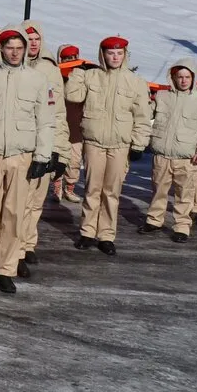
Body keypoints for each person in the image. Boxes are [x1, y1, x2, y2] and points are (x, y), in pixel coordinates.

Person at [0, 27, 53, 293]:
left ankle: (6, 269)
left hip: (21, 156)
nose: (14, 52)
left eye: (19, 48)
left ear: (25, 49)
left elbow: (46, 122)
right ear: (0, 49)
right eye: (9, 47)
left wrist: (42, 156)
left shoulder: (37, 80)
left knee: (14, 214)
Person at [65, 36, 151, 255]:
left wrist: (139, 143)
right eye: (111, 53)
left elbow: (142, 116)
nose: (115, 57)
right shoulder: (91, 76)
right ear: (102, 54)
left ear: (125, 55)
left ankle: (106, 235)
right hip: (94, 143)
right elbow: (72, 95)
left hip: (120, 145)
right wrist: (77, 72)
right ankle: (87, 232)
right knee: (92, 188)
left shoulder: (135, 82)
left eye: (119, 53)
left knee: (112, 191)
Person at [18, 20, 70, 272]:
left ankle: (27, 244)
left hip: (44, 143)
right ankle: (13, 248)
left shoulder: (50, 70)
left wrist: (59, 151)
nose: (34, 43)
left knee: (36, 199)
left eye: (37, 38)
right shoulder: (11, 68)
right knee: (18, 200)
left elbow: (58, 112)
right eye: (29, 38)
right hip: (19, 143)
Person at [141, 58, 197, 243]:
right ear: (173, 77)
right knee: (158, 190)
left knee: (185, 194)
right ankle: (154, 220)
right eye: (179, 77)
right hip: (161, 154)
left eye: (187, 77)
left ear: (193, 78)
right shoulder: (162, 96)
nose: (183, 80)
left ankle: (182, 226)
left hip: (187, 157)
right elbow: (145, 115)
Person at [55, 44, 85, 203]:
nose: (71, 61)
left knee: (74, 160)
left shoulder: (82, 77)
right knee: (59, 159)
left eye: (73, 57)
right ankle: (57, 187)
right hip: (59, 125)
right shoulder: (55, 75)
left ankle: (70, 188)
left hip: (76, 127)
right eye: (67, 58)